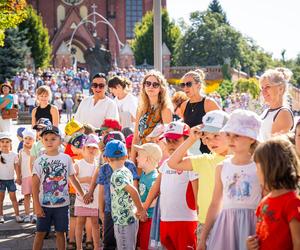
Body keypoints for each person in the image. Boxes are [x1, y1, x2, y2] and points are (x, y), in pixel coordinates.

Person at [200, 109, 262, 250]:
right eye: (228, 134)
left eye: (237, 135)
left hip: (253, 226)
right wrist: (203, 237)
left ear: (252, 138)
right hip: (226, 227)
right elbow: (215, 203)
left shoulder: (260, 166)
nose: (231, 139)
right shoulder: (222, 167)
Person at [167, 110, 229, 244]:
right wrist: (191, 139)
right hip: (204, 222)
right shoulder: (204, 160)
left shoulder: (237, 160)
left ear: (230, 134)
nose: (211, 140)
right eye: (206, 137)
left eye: (216, 135)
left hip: (228, 222)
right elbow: (172, 163)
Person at [143, 121, 198, 249]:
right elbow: (155, 187)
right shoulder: (166, 163)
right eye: (168, 141)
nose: (171, 145)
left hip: (186, 221)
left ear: (187, 140)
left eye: (176, 140)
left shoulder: (192, 162)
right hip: (165, 220)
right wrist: (144, 207)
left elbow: (197, 194)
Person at [32, 125, 85, 250]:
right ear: (41, 141)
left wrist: (84, 195)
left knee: (61, 233)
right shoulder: (39, 161)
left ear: (60, 140)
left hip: (62, 205)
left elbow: (73, 178)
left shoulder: (66, 158)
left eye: (53, 138)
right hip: (44, 205)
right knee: (40, 233)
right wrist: (37, 206)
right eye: (46, 139)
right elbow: (34, 185)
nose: (49, 142)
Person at [85, 131, 139, 250]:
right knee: (109, 242)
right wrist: (101, 211)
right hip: (110, 209)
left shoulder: (130, 166)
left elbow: (134, 187)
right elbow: (102, 189)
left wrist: (137, 208)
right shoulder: (104, 168)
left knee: (127, 241)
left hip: (127, 211)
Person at [247, 137, 300, 250]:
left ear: (270, 168)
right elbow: (262, 235)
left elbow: (298, 243)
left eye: (257, 167)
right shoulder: (264, 202)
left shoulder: (292, 202)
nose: (256, 172)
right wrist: (252, 245)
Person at [105, 139, 147, 250]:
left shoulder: (117, 175)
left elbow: (133, 190)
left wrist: (141, 209)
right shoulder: (126, 170)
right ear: (126, 157)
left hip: (123, 221)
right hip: (129, 218)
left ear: (107, 158)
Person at [131, 70, 173, 162]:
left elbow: (168, 137)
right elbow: (136, 137)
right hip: (141, 154)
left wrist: (152, 156)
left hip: (157, 157)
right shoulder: (140, 109)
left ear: (161, 88)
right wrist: (132, 161)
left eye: (155, 84)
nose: (151, 87)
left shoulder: (165, 109)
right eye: (148, 83)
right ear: (144, 86)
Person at [180, 69, 220, 154]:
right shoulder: (183, 106)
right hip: (191, 152)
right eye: (183, 85)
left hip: (210, 150)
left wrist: (204, 129)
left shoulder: (208, 103)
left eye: (189, 84)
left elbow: (223, 124)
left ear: (198, 85)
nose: (185, 87)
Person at [74, 134, 100, 250]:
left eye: (94, 147)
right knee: (80, 222)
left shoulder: (99, 165)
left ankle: (97, 247)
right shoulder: (78, 164)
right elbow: (72, 180)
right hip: (80, 198)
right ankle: (79, 247)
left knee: (95, 222)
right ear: (84, 148)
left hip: (94, 197)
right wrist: (86, 179)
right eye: (89, 147)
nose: (91, 150)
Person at [134, 143, 162, 250]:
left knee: (146, 245)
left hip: (150, 219)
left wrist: (142, 209)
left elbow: (156, 198)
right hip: (143, 217)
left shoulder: (154, 177)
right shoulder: (144, 174)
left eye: (139, 155)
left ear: (147, 158)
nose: (136, 157)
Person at [259, 67, 294, 141]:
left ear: (281, 89)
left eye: (267, 87)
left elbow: (274, 148)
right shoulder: (266, 111)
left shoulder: (284, 113)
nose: (263, 92)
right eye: (262, 88)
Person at [0, 132, 22, 223]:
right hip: (1, 180)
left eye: (7, 142)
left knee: (14, 198)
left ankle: (17, 215)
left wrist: (18, 177)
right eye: (3, 142)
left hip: (10, 180)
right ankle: (1, 216)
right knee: (1, 199)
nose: (5, 144)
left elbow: (16, 167)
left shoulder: (13, 155)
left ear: (10, 143)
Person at [19, 129, 35, 223]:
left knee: (35, 196)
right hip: (25, 176)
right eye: (26, 138)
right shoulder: (21, 151)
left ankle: (35, 214)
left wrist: (27, 150)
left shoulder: (34, 150)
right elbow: (20, 163)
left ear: (33, 140)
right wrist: (19, 175)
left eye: (30, 138)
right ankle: (27, 214)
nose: (27, 140)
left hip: (33, 176)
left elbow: (32, 156)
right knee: (26, 196)